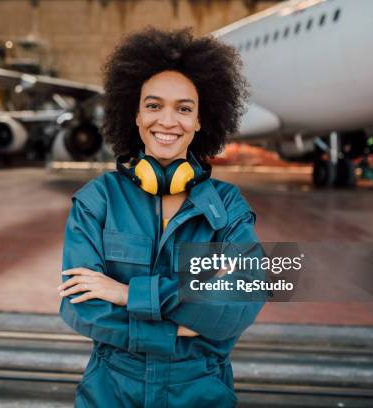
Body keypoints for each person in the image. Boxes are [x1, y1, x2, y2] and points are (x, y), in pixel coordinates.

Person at [58, 27, 264, 407]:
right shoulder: (97, 201)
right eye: (153, 106)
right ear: (134, 115)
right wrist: (186, 324)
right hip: (111, 392)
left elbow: (238, 306)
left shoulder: (228, 208)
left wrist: (124, 294)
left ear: (201, 121)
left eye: (184, 108)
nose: (168, 121)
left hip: (200, 392)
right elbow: (80, 307)